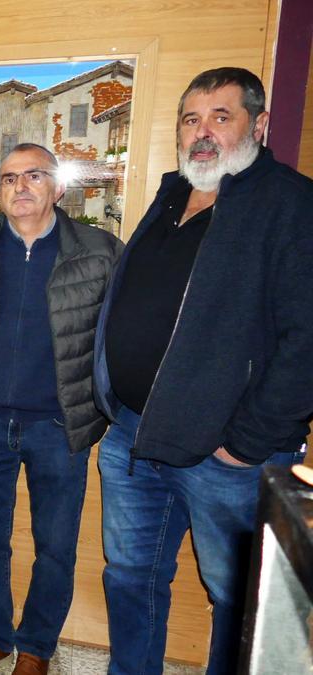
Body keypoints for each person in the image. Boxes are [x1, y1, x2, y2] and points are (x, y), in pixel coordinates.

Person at [94, 67, 313, 674]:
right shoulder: (173, 195)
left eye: (222, 116)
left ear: (259, 125)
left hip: (225, 453)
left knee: (235, 596)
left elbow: (306, 342)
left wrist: (247, 442)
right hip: (134, 435)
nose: (203, 132)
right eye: (191, 119)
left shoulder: (291, 205)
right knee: (130, 576)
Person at [0, 144, 122, 675]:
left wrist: (109, 406)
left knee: (55, 544)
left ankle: (36, 648)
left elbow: (120, 336)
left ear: (58, 187)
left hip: (58, 424)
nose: (20, 187)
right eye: (9, 178)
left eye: (33, 176)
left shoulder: (99, 252)